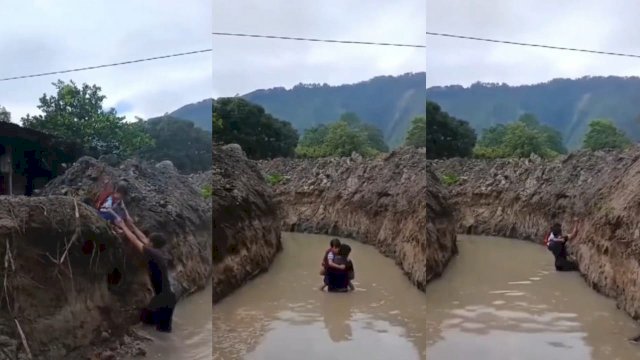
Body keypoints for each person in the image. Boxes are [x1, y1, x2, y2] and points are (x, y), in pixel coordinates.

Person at [116, 222, 177, 332]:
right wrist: (130, 223)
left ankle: (165, 345)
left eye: (149, 240)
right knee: (150, 321)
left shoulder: (152, 253)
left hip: (163, 299)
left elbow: (135, 240)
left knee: (161, 331)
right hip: (167, 297)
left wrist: (123, 226)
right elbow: (142, 238)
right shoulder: (158, 252)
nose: (146, 241)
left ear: (152, 244)